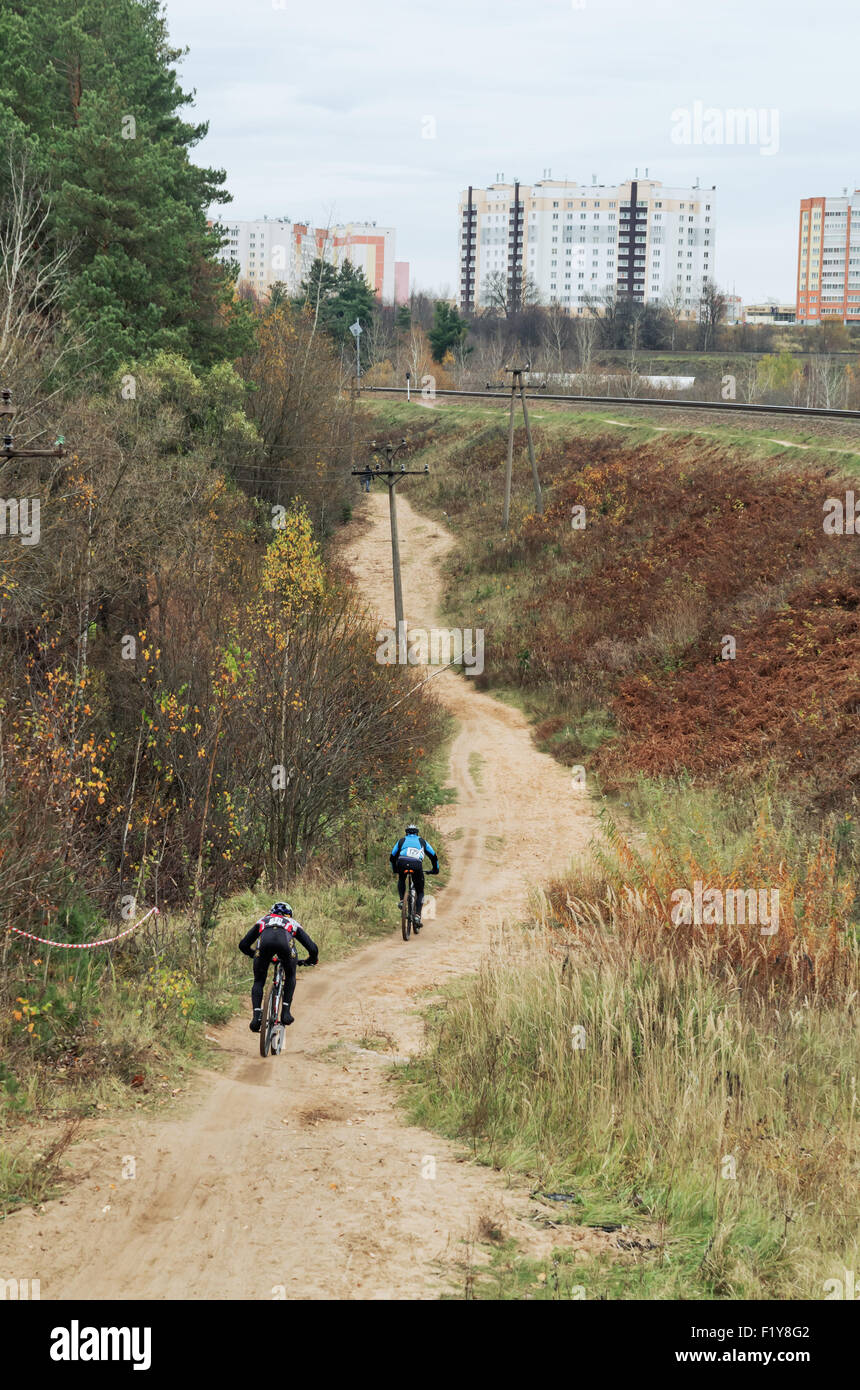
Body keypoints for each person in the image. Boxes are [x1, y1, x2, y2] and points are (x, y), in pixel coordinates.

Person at [239, 902, 318, 1033]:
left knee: (258, 981)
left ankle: (256, 1017)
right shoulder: (291, 922)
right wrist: (311, 960)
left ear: (271, 912)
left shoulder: (263, 920)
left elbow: (243, 945)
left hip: (264, 945)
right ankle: (285, 1013)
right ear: (289, 914)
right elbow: (312, 948)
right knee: (291, 974)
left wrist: (255, 955)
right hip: (285, 945)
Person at [390, 823, 439, 931]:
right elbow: (433, 856)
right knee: (420, 891)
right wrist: (435, 870)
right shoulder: (422, 841)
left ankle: (402, 900)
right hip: (416, 865)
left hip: (402, 862)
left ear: (406, 833)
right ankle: (417, 916)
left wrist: (395, 869)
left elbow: (392, 857)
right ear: (417, 833)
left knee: (401, 879)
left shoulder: (401, 841)